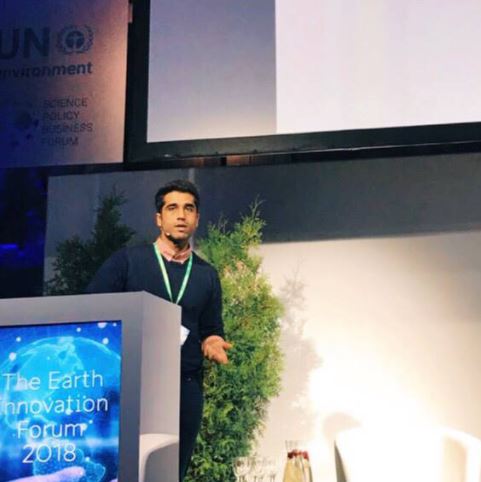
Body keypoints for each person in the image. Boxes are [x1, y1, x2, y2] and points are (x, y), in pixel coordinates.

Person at [86, 179, 232, 481]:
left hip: (184, 385)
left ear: (196, 219)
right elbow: (93, 308)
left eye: (188, 209)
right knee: (126, 470)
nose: (181, 215)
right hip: (132, 384)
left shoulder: (206, 274)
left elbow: (211, 327)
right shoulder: (128, 261)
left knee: (171, 472)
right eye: (172, 208)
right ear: (159, 218)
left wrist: (213, 341)